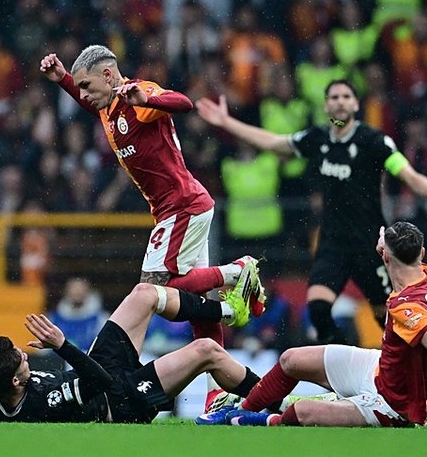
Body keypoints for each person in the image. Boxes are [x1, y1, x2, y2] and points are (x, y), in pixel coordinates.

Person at [41, 45, 264, 409]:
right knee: (193, 305)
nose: (84, 95)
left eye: (86, 85)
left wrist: (147, 98)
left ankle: (237, 271)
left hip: (181, 207)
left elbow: (184, 103)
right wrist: (63, 78)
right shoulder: (107, 107)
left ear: (108, 76)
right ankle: (217, 393)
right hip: (178, 209)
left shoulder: (137, 95)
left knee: (153, 293)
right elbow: (90, 101)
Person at [196, 81, 427, 345]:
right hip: (332, 244)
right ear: (325, 106)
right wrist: (227, 122)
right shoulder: (318, 138)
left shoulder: (373, 141)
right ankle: (344, 360)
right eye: (334, 97)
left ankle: (408, 361)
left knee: (388, 318)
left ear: (355, 104)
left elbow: (406, 173)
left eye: (346, 96)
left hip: (371, 245)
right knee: (318, 311)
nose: (340, 101)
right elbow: (274, 142)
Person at [199, 221, 427, 429]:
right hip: (380, 369)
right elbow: (398, 255)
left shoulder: (407, 307)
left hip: (392, 404)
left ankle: (264, 419)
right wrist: (386, 242)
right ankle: (240, 410)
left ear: (386, 256)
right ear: (421, 253)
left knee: (302, 411)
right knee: (291, 359)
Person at [0, 271, 260, 423]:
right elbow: (102, 382)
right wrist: (61, 344)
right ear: (15, 381)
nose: (25, 356)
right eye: (21, 361)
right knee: (206, 352)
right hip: (121, 401)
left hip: (94, 367)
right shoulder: (44, 402)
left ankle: (230, 311)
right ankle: (273, 400)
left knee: (143, 294)